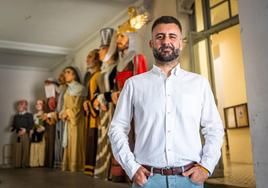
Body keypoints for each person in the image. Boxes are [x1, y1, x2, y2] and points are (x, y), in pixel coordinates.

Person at [108, 16, 224, 188]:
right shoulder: (134, 85)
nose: (166, 41)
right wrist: (131, 167)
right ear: (151, 44)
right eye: (160, 37)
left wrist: (206, 166)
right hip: (148, 180)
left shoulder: (199, 84)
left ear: (181, 43)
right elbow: (117, 128)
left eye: (172, 36)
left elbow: (214, 129)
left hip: (190, 180)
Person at [93, 27, 118, 179]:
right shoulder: (101, 73)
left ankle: (113, 172)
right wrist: (97, 99)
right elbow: (97, 92)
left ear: (110, 49)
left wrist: (102, 98)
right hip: (103, 110)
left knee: (114, 138)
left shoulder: (116, 68)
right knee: (103, 137)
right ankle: (103, 170)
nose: (99, 53)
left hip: (114, 109)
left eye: (102, 49)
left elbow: (116, 90)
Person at [59, 66, 85, 172]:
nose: (65, 74)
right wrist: (62, 113)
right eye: (65, 72)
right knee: (69, 142)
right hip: (69, 120)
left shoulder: (80, 88)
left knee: (76, 142)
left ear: (74, 75)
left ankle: (77, 166)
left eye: (68, 72)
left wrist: (67, 113)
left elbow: (78, 107)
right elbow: (65, 105)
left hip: (77, 121)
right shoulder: (68, 90)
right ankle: (69, 165)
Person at [83, 49, 102, 176]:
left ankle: (94, 168)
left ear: (97, 59)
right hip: (90, 115)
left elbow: (97, 95)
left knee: (94, 140)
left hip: (96, 116)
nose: (87, 60)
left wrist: (89, 103)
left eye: (90, 57)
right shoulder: (92, 76)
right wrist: (86, 102)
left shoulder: (99, 75)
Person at [11, 99, 34, 168]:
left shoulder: (29, 115)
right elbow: (14, 125)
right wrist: (15, 129)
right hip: (18, 134)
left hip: (25, 134)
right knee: (18, 149)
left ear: (26, 106)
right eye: (19, 104)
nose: (20, 105)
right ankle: (17, 164)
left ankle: (24, 164)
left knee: (25, 149)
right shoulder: (15, 116)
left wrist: (25, 130)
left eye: (22, 104)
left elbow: (31, 125)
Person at [54, 72, 67, 168]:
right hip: (58, 114)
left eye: (62, 77)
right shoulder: (60, 88)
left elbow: (64, 103)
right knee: (58, 138)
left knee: (62, 137)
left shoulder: (66, 88)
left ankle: (62, 160)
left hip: (63, 115)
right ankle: (58, 160)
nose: (60, 79)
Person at [29, 99, 46, 167]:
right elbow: (33, 124)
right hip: (35, 132)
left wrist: (43, 128)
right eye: (37, 104)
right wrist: (31, 130)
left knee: (40, 147)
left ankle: (40, 162)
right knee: (34, 147)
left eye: (40, 103)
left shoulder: (45, 114)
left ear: (43, 105)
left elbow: (46, 125)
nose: (38, 105)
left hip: (42, 134)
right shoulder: (34, 115)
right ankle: (34, 162)